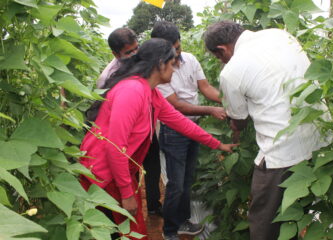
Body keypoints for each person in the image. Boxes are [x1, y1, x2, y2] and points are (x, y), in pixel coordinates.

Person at [80, 38, 237, 239]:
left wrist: (218, 144)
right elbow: (114, 147)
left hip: (119, 172)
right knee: (121, 232)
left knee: (127, 231)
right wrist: (126, 193)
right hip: (104, 174)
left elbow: (179, 121)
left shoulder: (149, 91)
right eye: (172, 64)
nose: (175, 69)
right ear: (160, 64)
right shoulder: (132, 91)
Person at [203, 21, 330, 240]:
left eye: (219, 57)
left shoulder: (231, 72)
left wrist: (234, 121)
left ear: (222, 49)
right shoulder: (281, 35)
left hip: (281, 153)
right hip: (321, 136)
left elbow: (239, 121)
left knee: (264, 218)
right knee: (311, 211)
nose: (222, 62)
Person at [151, 21, 226, 240]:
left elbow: (205, 87)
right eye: (171, 50)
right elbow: (177, 106)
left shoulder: (190, 60)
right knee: (175, 184)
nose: (177, 53)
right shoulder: (160, 70)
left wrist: (229, 98)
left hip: (193, 126)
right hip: (174, 131)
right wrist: (211, 110)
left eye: (178, 47)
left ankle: (182, 222)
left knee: (186, 181)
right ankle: (170, 231)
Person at [98, 27, 163, 216]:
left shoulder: (145, 64)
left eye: (136, 48)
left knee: (153, 166)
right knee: (129, 173)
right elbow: (112, 126)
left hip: (147, 130)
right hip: (126, 137)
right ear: (115, 54)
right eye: (129, 52)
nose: (135, 54)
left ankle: (153, 205)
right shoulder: (106, 78)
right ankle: (127, 207)